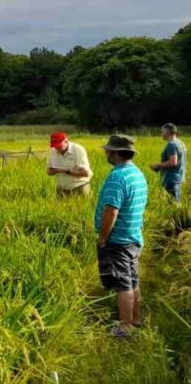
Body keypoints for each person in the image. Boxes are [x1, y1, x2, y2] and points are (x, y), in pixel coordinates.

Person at [95, 135, 148, 339]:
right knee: (133, 280)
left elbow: (111, 211)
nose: (106, 153)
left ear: (116, 153)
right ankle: (135, 319)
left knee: (123, 284)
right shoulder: (137, 173)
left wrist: (102, 237)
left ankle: (125, 328)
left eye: (108, 151)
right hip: (134, 236)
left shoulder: (118, 177)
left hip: (119, 240)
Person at [47, 132, 92, 197]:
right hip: (61, 190)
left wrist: (66, 171)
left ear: (66, 141)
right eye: (55, 146)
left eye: (59, 145)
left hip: (79, 188)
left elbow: (85, 173)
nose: (57, 148)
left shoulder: (78, 150)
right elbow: (49, 172)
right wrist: (59, 170)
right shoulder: (53, 151)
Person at [150, 123, 186, 203]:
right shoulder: (180, 143)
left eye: (162, 131)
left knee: (173, 205)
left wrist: (158, 165)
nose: (161, 134)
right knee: (176, 203)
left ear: (167, 132)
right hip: (177, 178)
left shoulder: (172, 145)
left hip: (171, 180)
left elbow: (173, 162)